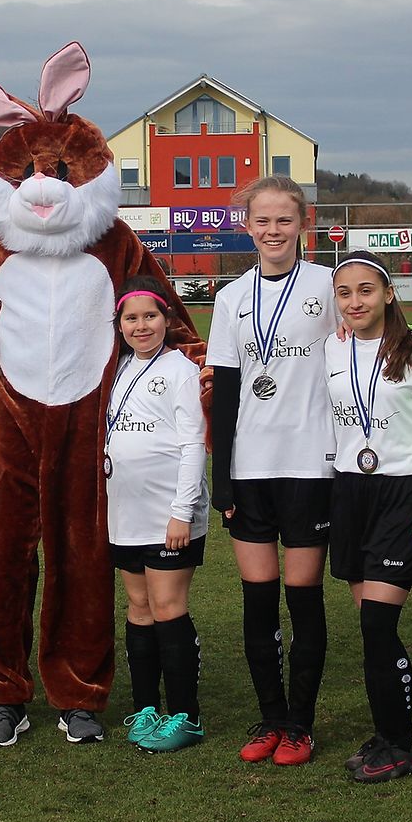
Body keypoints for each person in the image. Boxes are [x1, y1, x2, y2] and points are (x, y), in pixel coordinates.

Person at [207, 175, 338, 766]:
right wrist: (223, 477)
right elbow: (226, 391)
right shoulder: (232, 297)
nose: (273, 230)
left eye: (284, 220)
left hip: (312, 465)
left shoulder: (328, 285)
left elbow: (368, 344)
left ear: (303, 224)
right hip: (251, 469)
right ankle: (271, 718)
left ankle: (301, 725)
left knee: (303, 597)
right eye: (262, 220)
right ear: (247, 226)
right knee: (258, 601)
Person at [324, 251, 412, 783]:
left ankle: (401, 744)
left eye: (366, 290)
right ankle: (384, 734)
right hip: (351, 491)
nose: (355, 302)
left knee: (379, 623)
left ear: (388, 293)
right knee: (369, 626)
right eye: (345, 292)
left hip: (403, 492)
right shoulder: (332, 347)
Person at [106, 276, 208, 753]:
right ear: (119, 324)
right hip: (125, 511)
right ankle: (146, 707)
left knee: (168, 606)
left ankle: (186, 716)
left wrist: (181, 512)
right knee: (139, 607)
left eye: (150, 316)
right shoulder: (117, 370)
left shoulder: (180, 370)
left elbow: (193, 444)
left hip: (170, 513)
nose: (141, 326)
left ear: (167, 319)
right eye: (131, 318)